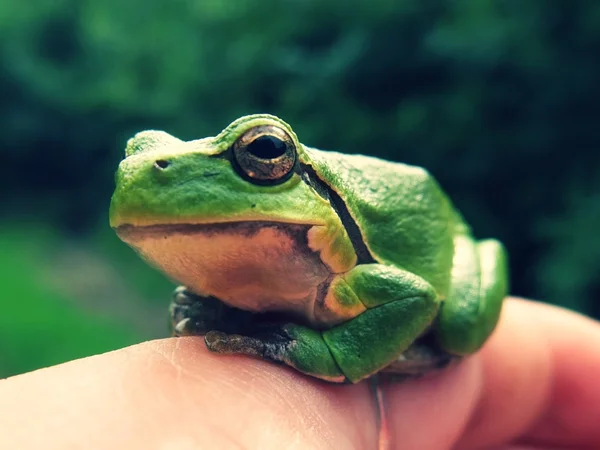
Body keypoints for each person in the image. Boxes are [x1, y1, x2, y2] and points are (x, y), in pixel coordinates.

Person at [1, 298, 599, 449]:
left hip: (421, 272)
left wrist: (330, 354)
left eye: (262, 154)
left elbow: (413, 294)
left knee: (464, 323)